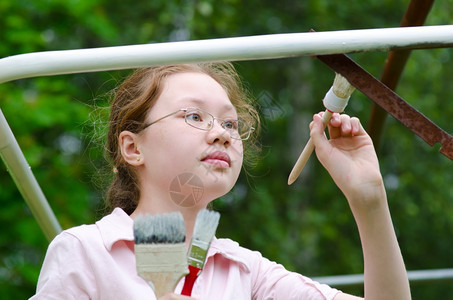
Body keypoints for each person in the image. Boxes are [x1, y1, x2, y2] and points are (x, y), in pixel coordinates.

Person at [31, 62, 411, 300]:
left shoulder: (247, 271)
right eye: (194, 116)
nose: (222, 134)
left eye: (230, 123)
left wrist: (369, 199)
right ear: (133, 148)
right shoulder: (84, 252)